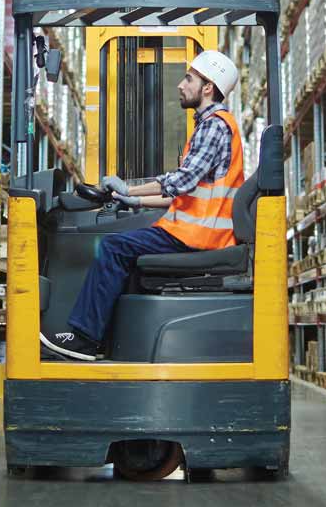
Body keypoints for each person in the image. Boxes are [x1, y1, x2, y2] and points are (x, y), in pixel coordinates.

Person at [40, 50, 243, 361]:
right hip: (189, 231)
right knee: (125, 251)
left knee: (112, 248)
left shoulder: (214, 126)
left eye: (189, 78)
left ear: (207, 87)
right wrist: (132, 199)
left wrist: (130, 188)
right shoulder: (209, 126)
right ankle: (101, 338)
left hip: (197, 237)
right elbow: (180, 192)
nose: (180, 85)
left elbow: (181, 181)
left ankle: (83, 339)